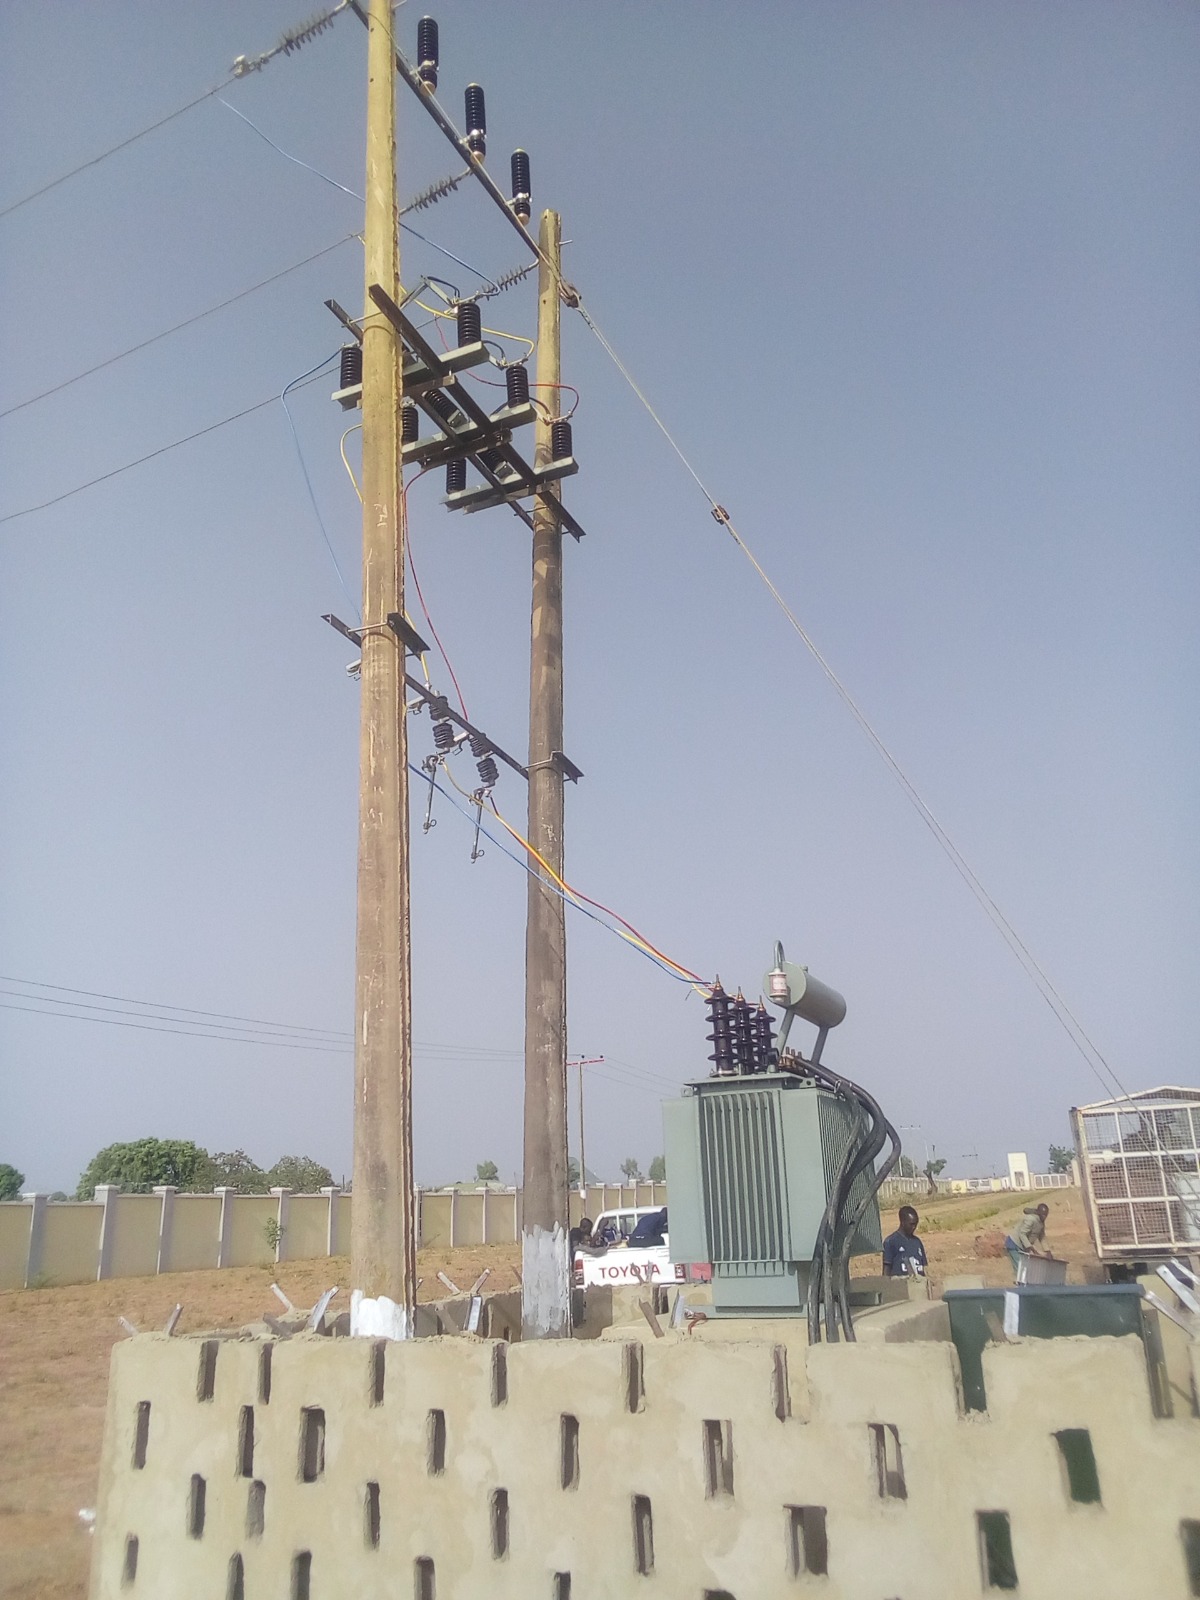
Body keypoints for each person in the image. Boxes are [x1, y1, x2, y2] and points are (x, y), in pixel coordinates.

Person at [1005, 1203, 1050, 1278]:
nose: (1044, 1217)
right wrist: (1030, 1248)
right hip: (1014, 1244)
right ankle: (1020, 1287)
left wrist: (1047, 1250)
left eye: (1046, 1215)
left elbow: (1042, 1236)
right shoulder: (1030, 1219)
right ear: (1038, 1213)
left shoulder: (1041, 1222)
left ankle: (1023, 1285)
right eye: (1043, 1215)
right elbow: (1022, 1233)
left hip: (1023, 1246)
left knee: (1026, 1267)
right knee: (1020, 1267)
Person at [881, 1206, 927, 1277]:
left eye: (916, 1224)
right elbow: (886, 1270)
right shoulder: (891, 1242)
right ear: (903, 1222)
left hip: (918, 1285)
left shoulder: (917, 1242)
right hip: (900, 1285)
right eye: (911, 1224)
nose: (914, 1227)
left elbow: (924, 1267)